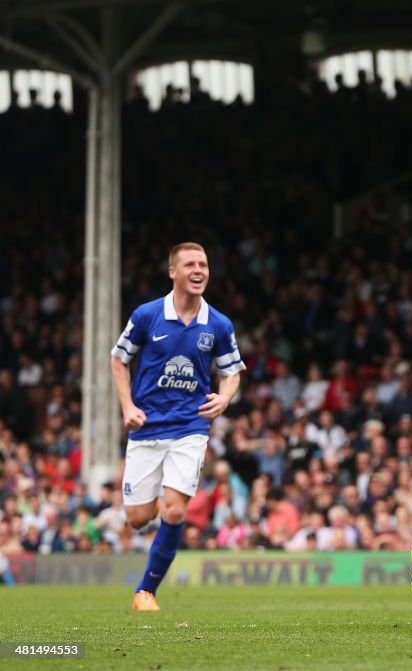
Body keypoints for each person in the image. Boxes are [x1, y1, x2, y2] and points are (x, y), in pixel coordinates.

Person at [111, 242, 245, 611]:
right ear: (173, 272)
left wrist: (224, 396)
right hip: (147, 428)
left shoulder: (218, 323)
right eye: (190, 264)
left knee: (174, 511)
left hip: (190, 428)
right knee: (138, 519)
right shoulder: (146, 315)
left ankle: (146, 591)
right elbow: (119, 361)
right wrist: (127, 405)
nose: (199, 269)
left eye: (203, 263)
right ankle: (153, 501)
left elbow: (232, 371)